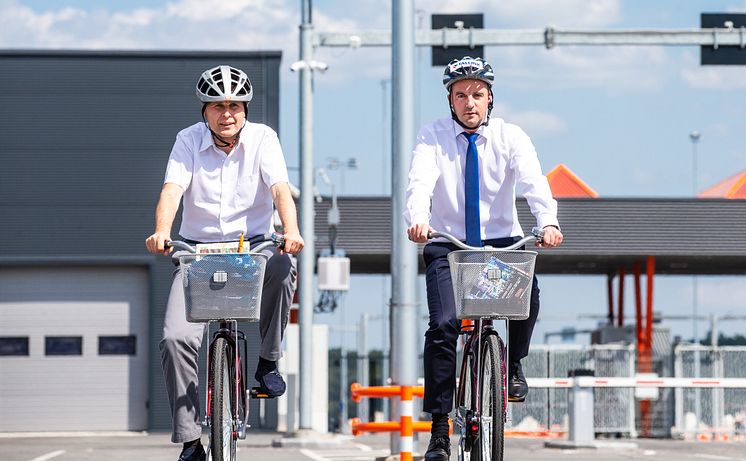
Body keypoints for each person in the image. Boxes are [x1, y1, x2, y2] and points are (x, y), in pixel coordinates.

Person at [405, 56, 563, 461]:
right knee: (443, 326)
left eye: (477, 94)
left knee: (529, 297)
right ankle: (440, 429)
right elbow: (420, 182)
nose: (469, 103)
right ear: (450, 100)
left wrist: (547, 222)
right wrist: (418, 220)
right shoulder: (432, 136)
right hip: (449, 243)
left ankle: (512, 365)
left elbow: (533, 181)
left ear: (490, 98)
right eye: (460, 95)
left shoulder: (512, 137)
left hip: (501, 244)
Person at [145, 65, 303, 461]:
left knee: (284, 267)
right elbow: (172, 190)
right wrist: (162, 230)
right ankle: (189, 440)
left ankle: (268, 360)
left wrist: (292, 229)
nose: (227, 113)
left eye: (234, 105)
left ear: (245, 109)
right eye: (218, 106)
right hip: (198, 254)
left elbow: (280, 188)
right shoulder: (187, 141)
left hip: (252, 248)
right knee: (175, 338)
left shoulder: (264, 138)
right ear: (205, 111)